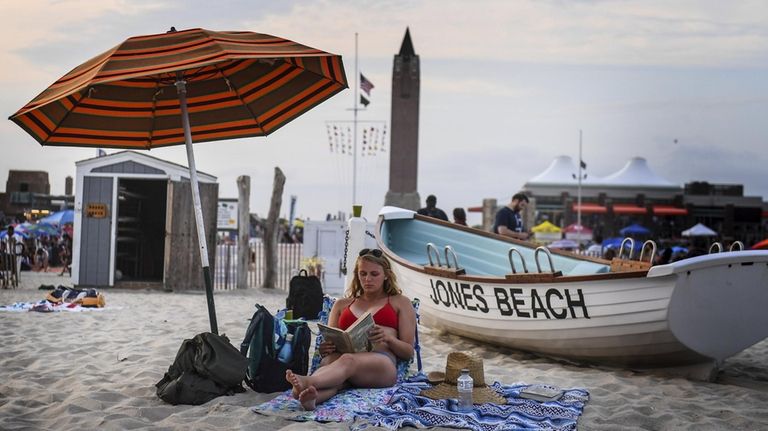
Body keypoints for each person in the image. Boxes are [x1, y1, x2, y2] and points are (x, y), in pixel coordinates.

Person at [285, 248, 416, 410]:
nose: (368, 279)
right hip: (343, 361)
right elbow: (329, 341)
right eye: (363, 273)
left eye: (374, 274)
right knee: (330, 364)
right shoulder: (341, 304)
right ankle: (312, 398)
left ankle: (307, 382)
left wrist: (388, 338)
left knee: (347, 360)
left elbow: (409, 352)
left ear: (386, 274)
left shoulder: (400, 302)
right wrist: (326, 348)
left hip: (381, 363)